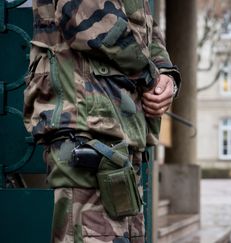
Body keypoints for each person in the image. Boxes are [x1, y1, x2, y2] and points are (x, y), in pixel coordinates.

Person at [24, 0, 181, 242]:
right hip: (86, 126)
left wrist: (167, 76)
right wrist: (151, 76)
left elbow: (146, 29)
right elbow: (85, 18)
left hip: (122, 129)